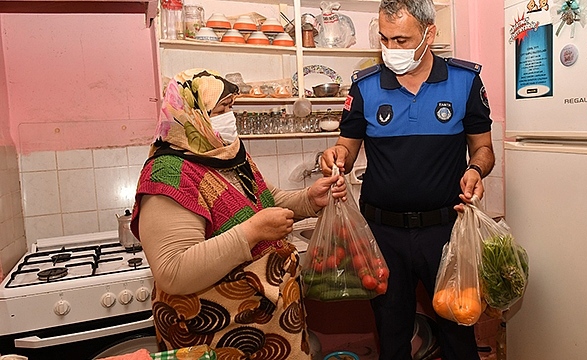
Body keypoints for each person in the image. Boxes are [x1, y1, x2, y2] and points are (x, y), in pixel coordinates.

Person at [319, 0, 495, 359]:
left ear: (430, 34)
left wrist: (475, 169)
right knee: (391, 332)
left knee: (458, 330)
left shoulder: (465, 81)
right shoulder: (365, 87)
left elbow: (484, 148)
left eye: (401, 40)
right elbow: (346, 149)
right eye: (384, 39)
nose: (391, 49)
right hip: (383, 235)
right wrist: (335, 158)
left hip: (446, 233)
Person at [130, 68, 346, 358]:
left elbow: (265, 199)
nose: (229, 117)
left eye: (230, 107)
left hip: (265, 323)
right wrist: (253, 232)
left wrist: (309, 199)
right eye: (222, 109)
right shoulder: (168, 173)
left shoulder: (226, 154)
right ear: (193, 114)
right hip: (215, 330)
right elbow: (173, 272)